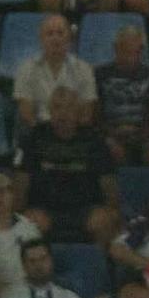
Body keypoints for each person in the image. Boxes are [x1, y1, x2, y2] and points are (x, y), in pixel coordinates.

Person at [14, 86, 117, 246]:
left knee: (104, 220)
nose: (63, 113)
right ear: (49, 110)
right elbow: (21, 181)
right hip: (44, 208)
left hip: (86, 208)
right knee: (29, 222)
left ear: (78, 111)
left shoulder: (94, 139)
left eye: (69, 107)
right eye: (57, 107)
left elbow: (108, 183)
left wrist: (112, 211)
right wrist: (18, 213)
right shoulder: (34, 137)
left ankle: (101, 267)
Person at [12, 12, 97, 128]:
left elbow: (87, 112)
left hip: (74, 134)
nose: (55, 38)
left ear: (69, 38)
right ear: (41, 39)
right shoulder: (26, 69)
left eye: (60, 33)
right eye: (50, 34)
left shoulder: (83, 69)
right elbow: (26, 115)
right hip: (39, 134)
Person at [95, 22, 149, 166]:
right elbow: (96, 114)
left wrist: (140, 135)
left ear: (141, 50)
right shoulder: (100, 75)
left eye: (135, 52)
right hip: (110, 131)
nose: (130, 58)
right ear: (116, 48)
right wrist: (112, 133)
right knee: (112, 149)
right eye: (125, 52)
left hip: (143, 132)